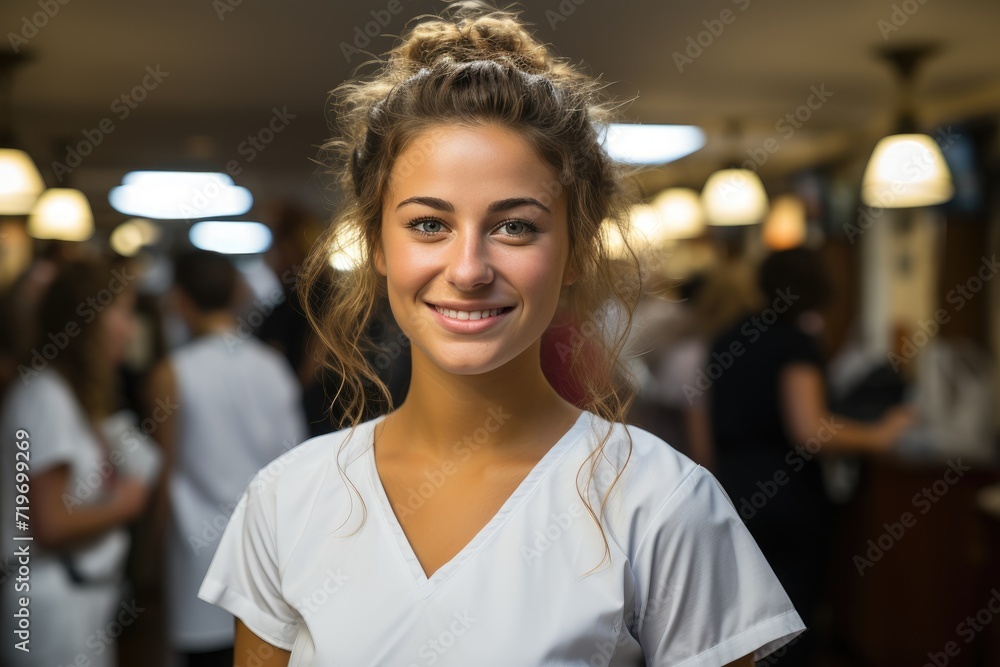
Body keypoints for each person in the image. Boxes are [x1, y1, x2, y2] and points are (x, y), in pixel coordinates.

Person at [198, 3, 805, 665]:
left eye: (515, 225)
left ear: (575, 251)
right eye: (429, 224)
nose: (467, 269)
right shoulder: (288, 498)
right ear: (377, 244)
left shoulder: (660, 502)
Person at [704, 246, 917, 666]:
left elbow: (706, 426)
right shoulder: (794, 342)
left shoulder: (729, 336)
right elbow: (810, 430)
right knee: (788, 619)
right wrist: (880, 435)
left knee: (740, 621)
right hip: (786, 496)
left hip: (731, 486)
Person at [146, 250, 308, 666]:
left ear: (179, 300)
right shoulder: (272, 366)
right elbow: (297, 469)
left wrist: (149, 562)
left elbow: (164, 478)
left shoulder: (172, 372)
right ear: (238, 294)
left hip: (195, 563)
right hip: (266, 561)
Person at [0, 257, 151, 667]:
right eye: (121, 312)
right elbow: (49, 523)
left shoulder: (66, 394)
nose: (129, 328)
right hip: (51, 605)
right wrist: (126, 503)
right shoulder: (46, 397)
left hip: (74, 597)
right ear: (88, 319)